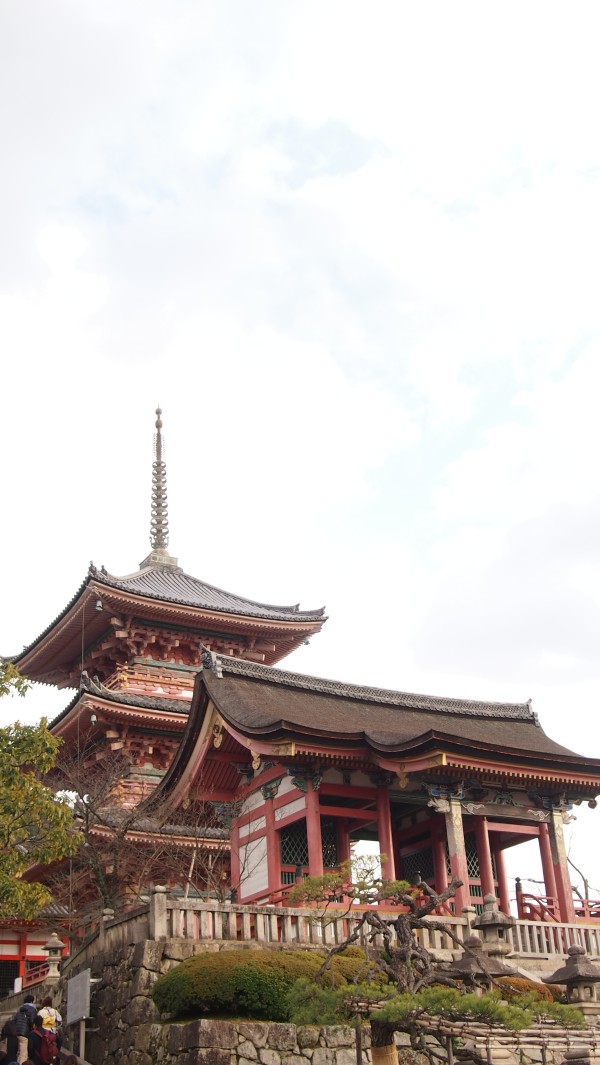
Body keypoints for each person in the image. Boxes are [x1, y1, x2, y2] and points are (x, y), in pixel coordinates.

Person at [14, 996, 36, 1064]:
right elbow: (32, 1021)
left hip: (16, 1032)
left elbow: (15, 1020)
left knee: (18, 1053)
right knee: (23, 1054)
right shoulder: (32, 1009)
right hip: (24, 1033)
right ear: (32, 1001)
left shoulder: (20, 1009)